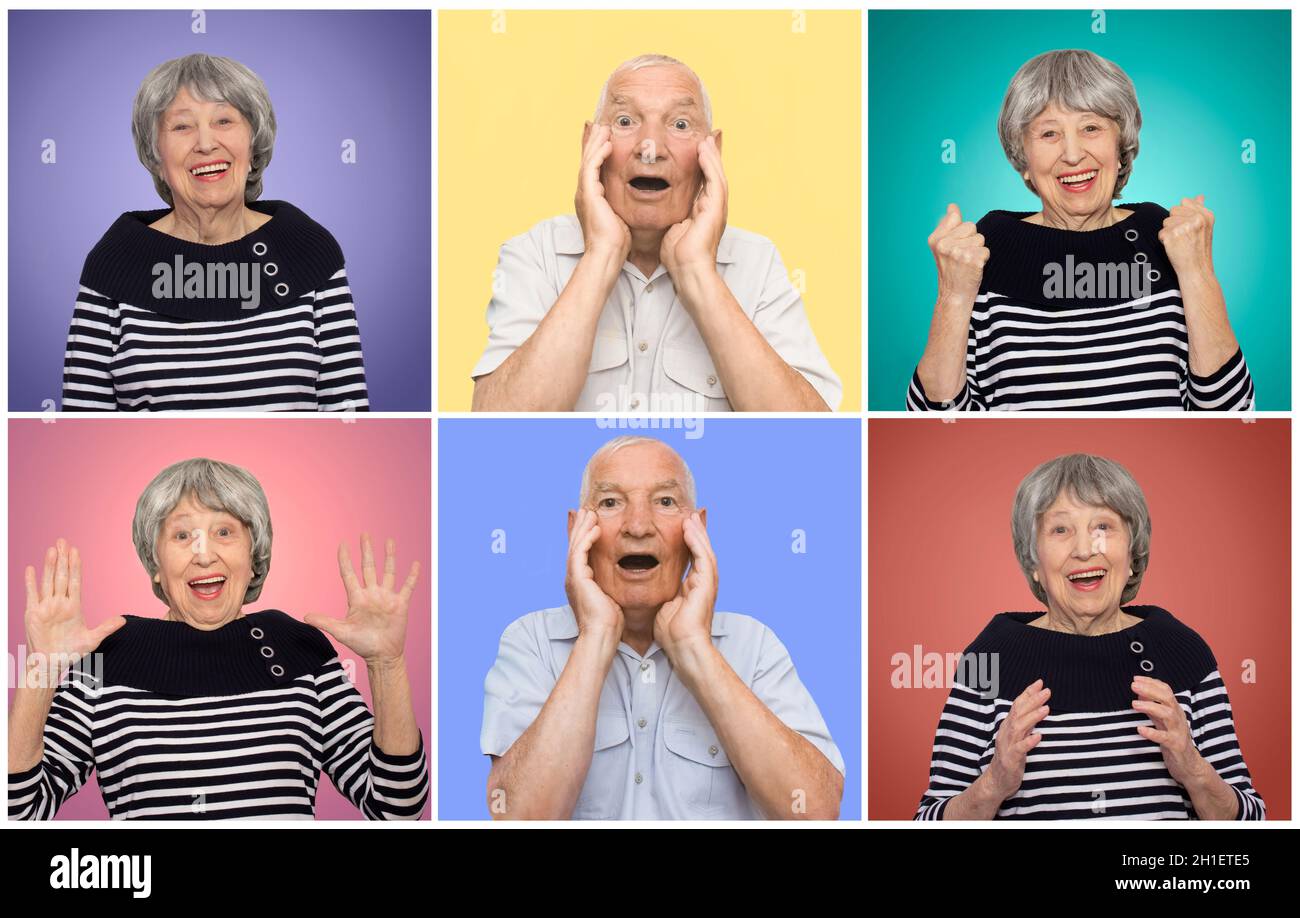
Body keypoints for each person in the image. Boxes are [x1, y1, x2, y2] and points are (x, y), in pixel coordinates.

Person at [8, 458, 426, 819]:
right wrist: (41, 667)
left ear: (253, 554)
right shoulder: (106, 658)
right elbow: (17, 810)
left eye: (225, 532)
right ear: (156, 563)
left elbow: (396, 805)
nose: (204, 553)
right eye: (182, 535)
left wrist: (386, 664)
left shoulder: (299, 649)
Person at [481, 436, 844, 819]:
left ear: (697, 530)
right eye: (610, 503)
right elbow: (516, 817)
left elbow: (815, 811)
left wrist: (694, 647)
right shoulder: (530, 642)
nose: (638, 526)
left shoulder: (753, 645)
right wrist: (596, 636)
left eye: (665, 502)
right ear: (577, 531)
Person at [471, 54, 841, 412]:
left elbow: (813, 439)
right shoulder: (533, 254)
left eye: (680, 125)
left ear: (711, 152)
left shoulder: (758, 263)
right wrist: (600, 254)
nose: (650, 148)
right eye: (626, 121)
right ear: (590, 144)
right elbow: (493, 432)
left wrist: (698, 272)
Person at [915, 453, 1265, 819]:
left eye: (1103, 527)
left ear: (1132, 551)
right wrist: (994, 783)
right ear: (1034, 562)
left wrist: (1193, 769)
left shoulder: (1182, 651)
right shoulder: (988, 658)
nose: (1084, 550)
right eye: (1060, 530)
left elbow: (1253, 819)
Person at [909, 49, 1253, 411]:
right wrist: (954, 297)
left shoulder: (1166, 238)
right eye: (1049, 133)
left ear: (1121, 146)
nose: (1072, 154)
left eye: (1091, 127)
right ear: (1023, 158)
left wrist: (1198, 274)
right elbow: (936, 417)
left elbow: (1231, 413)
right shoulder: (983, 250)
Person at [62, 53, 368, 411]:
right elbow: (84, 420)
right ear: (156, 156)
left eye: (224, 120)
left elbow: (348, 416)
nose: (206, 143)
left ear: (253, 145)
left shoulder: (310, 251)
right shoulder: (114, 264)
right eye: (181, 126)